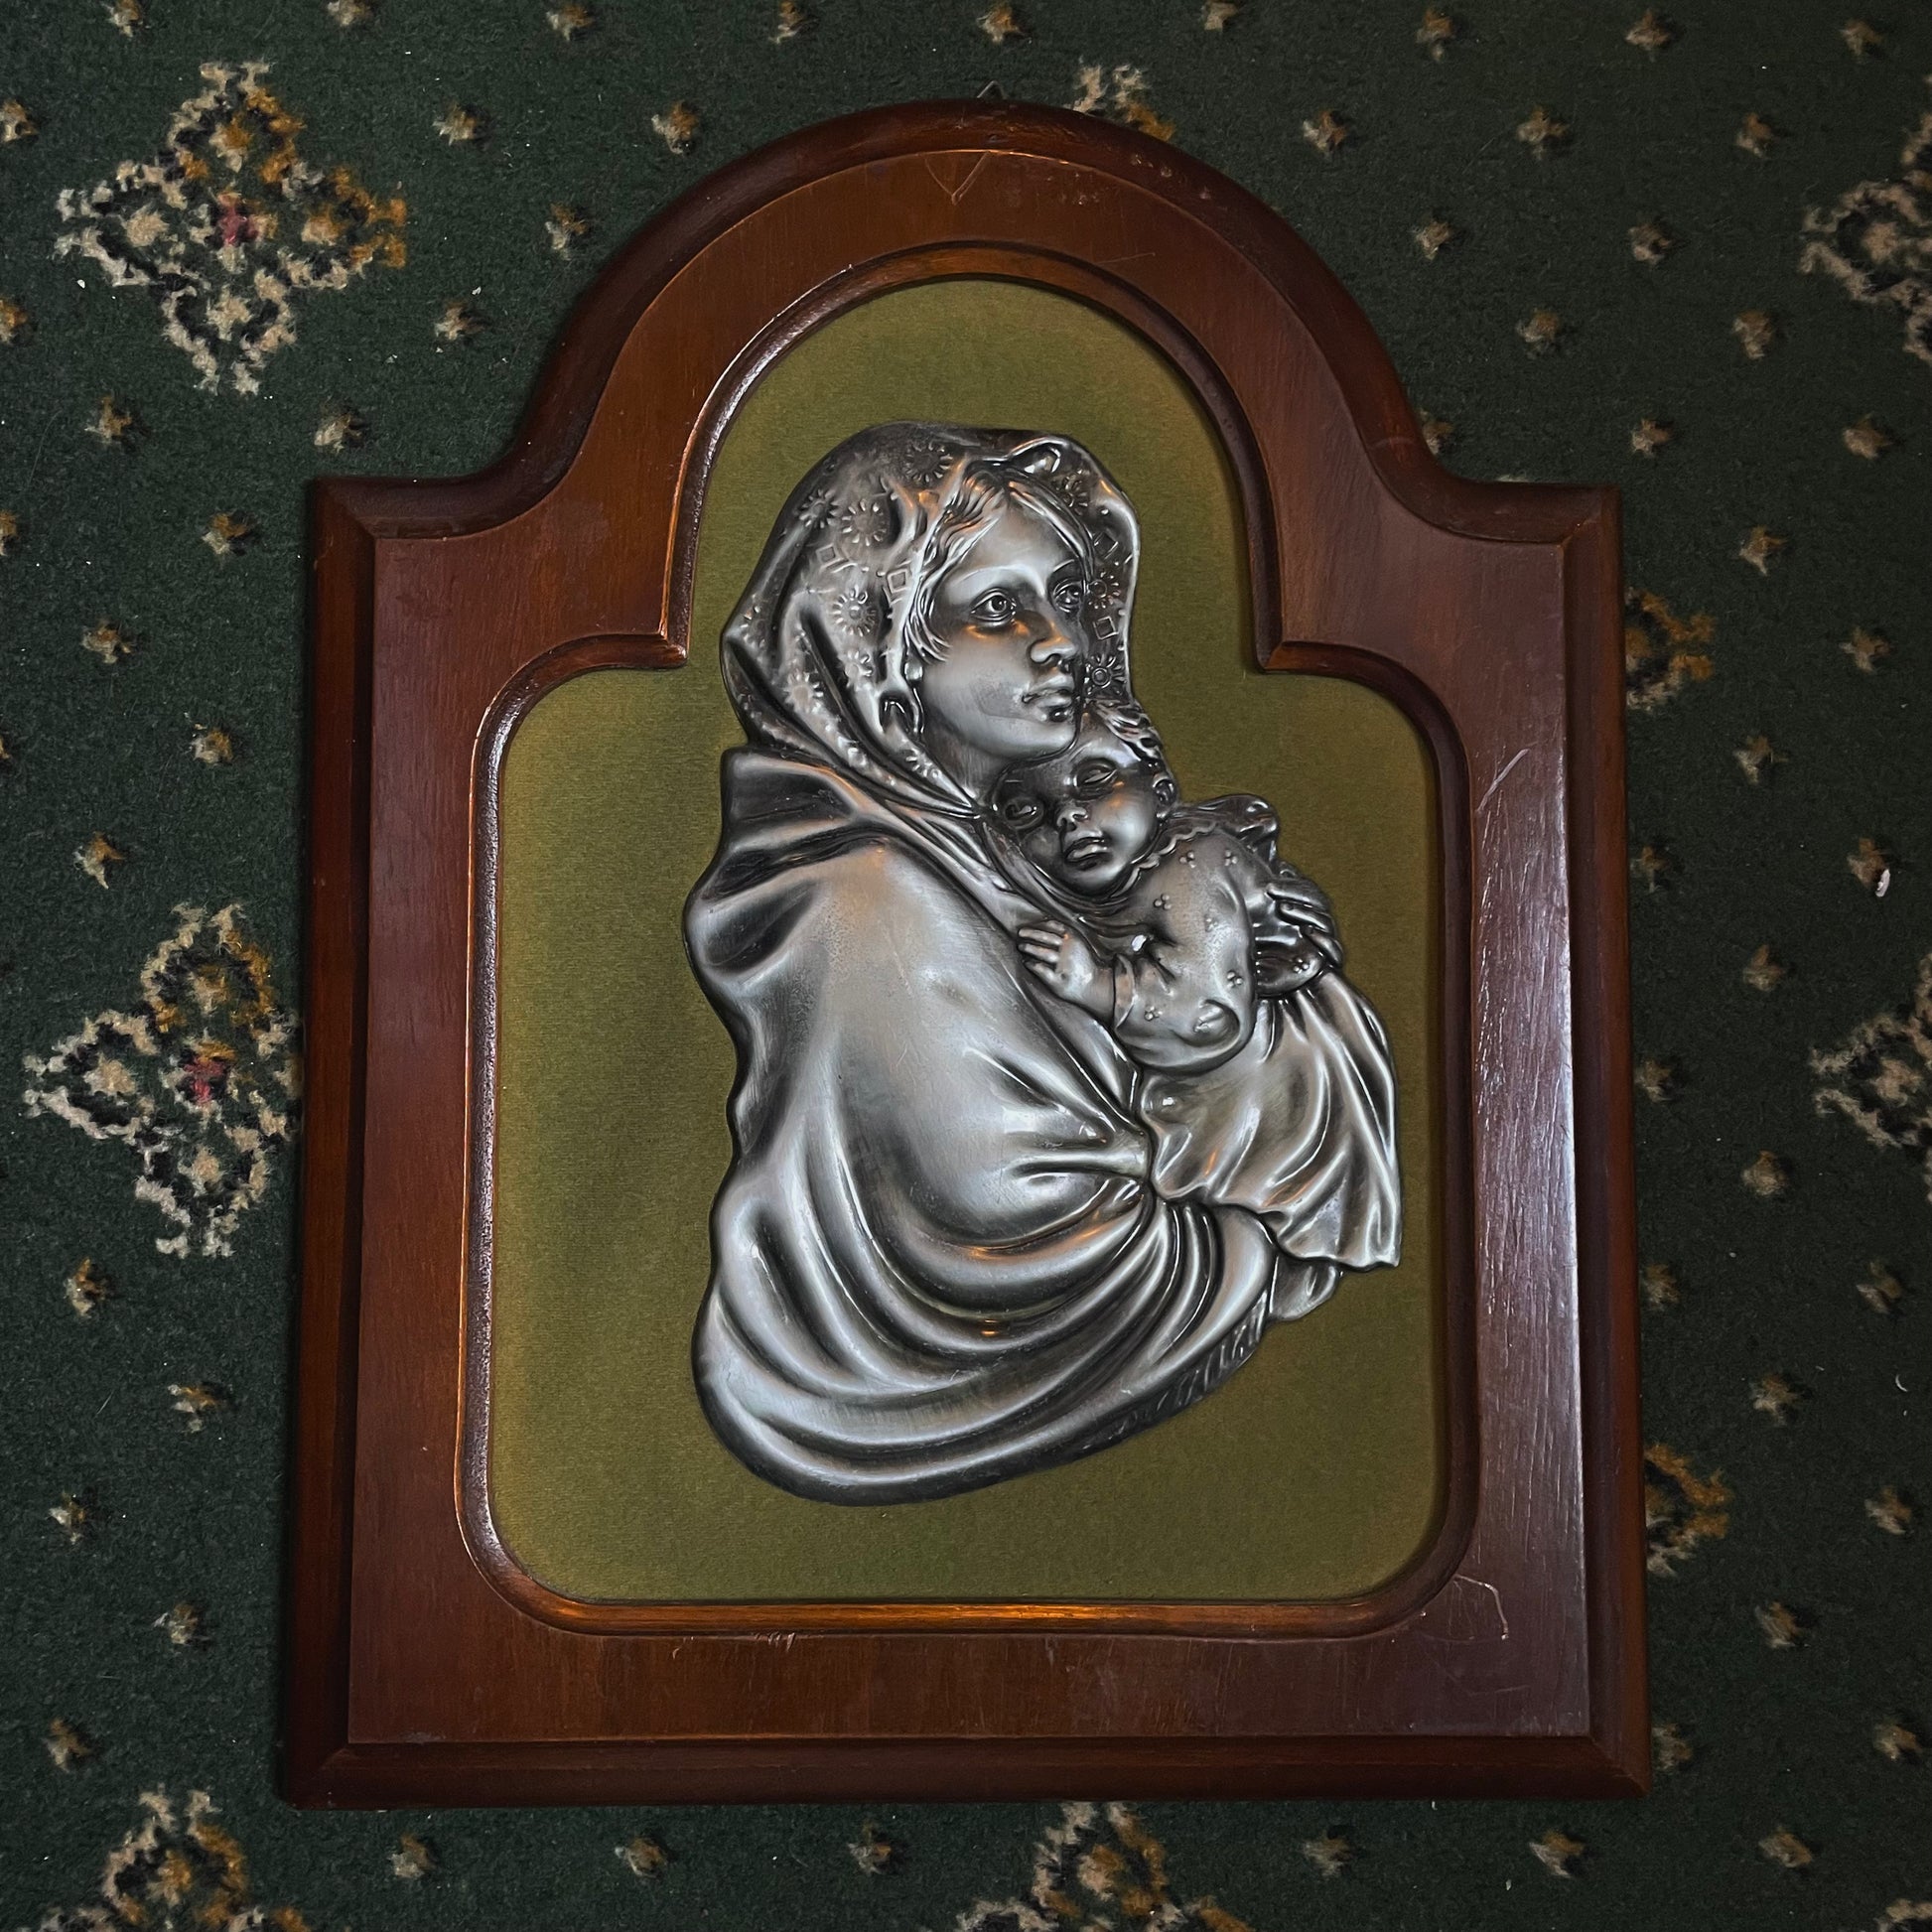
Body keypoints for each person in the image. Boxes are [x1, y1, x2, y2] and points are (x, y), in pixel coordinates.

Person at [683, 423, 1400, 1504]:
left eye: (1065, 597)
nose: (1062, 640)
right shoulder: (866, 899)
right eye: (996, 609)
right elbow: (1022, 1241)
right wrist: (1256, 1235)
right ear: (877, 646)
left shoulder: (1020, 851)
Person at [995, 699, 1401, 1318]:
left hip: (1276, 1075)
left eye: (1095, 780)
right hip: (1228, 1071)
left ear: (1160, 792)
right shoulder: (1114, 882)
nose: (1068, 816)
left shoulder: (1188, 871)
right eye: (1028, 812)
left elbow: (1210, 1013)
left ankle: (1272, 1254)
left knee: (1255, 1193)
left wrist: (1097, 984)